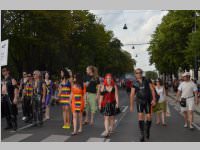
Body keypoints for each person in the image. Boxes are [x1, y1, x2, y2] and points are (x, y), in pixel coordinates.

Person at [130, 68, 156, 142]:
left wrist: (153, 99)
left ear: (142, 73)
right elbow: (132, 95)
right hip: (139, 101)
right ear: (135, 74)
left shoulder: (147, 80)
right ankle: (142, 134)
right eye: (137, 73)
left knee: (149, 117)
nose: (139, 74)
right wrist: (131, 105)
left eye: (140, 72)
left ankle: (147, 129)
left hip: (147, 101)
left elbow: (152, 90)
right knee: (140, 116)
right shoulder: (134, 83)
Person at [99, 73, 119, 138]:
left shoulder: (114, 86)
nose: (108, 80)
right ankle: (107, 131)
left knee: (112, 118)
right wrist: (99, 104)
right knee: (106, 117)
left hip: (112, 103)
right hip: (105, 104)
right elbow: (101, 96)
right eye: (107, 78)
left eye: (110, 78)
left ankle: (111, 128)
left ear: (111, 79)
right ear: (105, 79)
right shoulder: (103, 86)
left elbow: (116, 95)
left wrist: (117, 103)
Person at [1, 66, 19, 131]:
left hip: (10, 97)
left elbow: (16, 88)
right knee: (6, 111)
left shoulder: (12, 79)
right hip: (3, 97)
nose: (3, 72)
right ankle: (9, 124)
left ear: (8, 71)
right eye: (2, 70)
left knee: (12, 111)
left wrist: (15, 98)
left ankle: (14, 125)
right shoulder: (2, 80)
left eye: (4, 70)